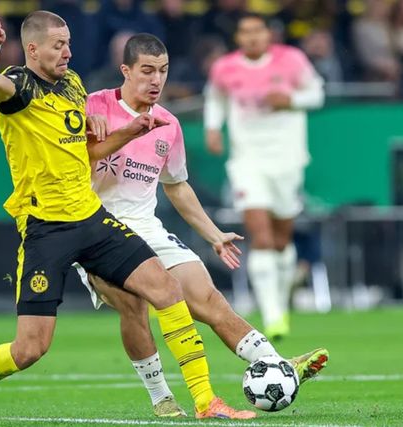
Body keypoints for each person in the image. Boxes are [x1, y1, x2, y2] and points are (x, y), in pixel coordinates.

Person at [0, 11, 255, 420]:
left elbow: (85, 151)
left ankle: (204, 400)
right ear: (33, 48)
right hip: (46, 228)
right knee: (30, 348)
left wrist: (126, 133)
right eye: (58, 45)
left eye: (69, 43)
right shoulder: (19, 85)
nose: (68, 52)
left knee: (166, 289)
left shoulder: (73, 84)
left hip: (92, 218)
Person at [76, 32, 329, 417]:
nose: (156, 80)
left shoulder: (168, 124)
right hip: (96, 229)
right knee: (134, 305)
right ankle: (161, 397)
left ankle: (277, 364)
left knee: (209, 299)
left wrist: (214, 235)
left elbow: (176, 186)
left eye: (163, 71)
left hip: (147, 228)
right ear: (125, 70)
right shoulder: (93, 105)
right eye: (147, 71)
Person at [204, 13, 325, 340]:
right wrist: (213, 128)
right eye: (245, 31)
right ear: (238, 38)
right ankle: (272, 316)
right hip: (247, 160)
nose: (252, 37)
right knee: (262, 237)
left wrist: (291, 99)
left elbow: (317, 94)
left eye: (258, 30)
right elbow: (215, 98)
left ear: (268, 34)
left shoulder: (292, 59)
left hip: (287, 159)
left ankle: (281, 302)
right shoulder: (225, 68)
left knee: (282, 240)